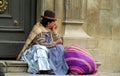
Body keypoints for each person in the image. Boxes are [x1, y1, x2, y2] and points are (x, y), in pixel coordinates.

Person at [20, 10, 68, 75]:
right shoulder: (38, 29)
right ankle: (46, 68)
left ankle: (60, 68)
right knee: (42, 49)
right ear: (48, 23)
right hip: (36, 50)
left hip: (49, 46)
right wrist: (55, 43)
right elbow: (42, 43)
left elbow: (59, 41)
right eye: (53, 21)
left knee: (60, 47)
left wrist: (54, 32)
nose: (55, 23)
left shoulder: (51, 29)